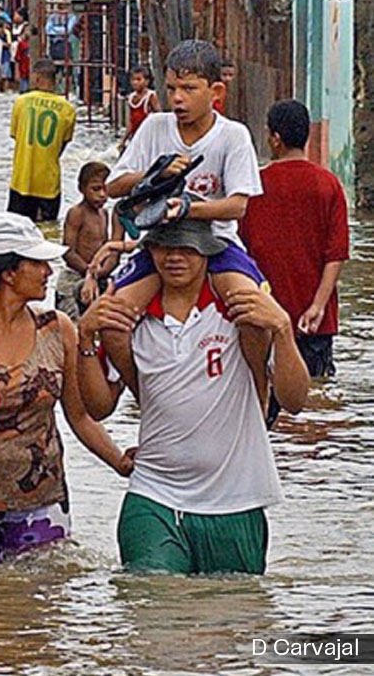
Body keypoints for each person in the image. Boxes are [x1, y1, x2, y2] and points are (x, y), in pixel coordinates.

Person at [77, 218, 310, 574]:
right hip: (153, 494)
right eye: (164, 248)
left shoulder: (239, 315)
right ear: (149, 251)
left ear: (208, 253)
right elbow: (98, 407)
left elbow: (294, 401)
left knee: (235, 616)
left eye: (187, 249)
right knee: (150, 598)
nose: (174, 258)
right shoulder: (130, 320)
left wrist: (282, 329)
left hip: (236, 500)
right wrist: (85, 338)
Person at [0, 212, 133, 566]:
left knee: (43, 612)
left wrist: (120, 463)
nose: (49, 272)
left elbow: (79, 415)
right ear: (8, 272)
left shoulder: (57, 327)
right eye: (38, 264)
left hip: (43, 498)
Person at [102, 40, 266, 380]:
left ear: (215, 91)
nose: (178, 98)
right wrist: (155, 174)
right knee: (112, 322)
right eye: (173, 88)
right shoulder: (154, 127)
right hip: (159, 243)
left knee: (255, 315)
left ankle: (260, 390)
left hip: (218, 245)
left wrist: (188, 209)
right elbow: (113, 186)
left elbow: (238, 206)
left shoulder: (233, 135)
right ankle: (141, 390)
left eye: (189, 89)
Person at [240, 99, 350, 425]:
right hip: (315, 322)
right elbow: (337, 254)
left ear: (275, 138)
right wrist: (317, 306)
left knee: (263, 408)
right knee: (312, 410)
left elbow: (241, 254)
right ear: (307, 137)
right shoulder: (329, 185)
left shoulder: (254, 188)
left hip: (264, 318)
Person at [7, 60, 76, 221]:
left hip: (21, 181)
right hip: (49, 184)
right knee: (48, 234)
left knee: (17, 232)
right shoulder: (67, 109)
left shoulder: (21, 102)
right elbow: (61, 146)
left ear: (37, 79)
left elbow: (17, 137)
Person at [56, 162, 112, 320]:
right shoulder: (77, 213)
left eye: (106, 189)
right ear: (81, 188)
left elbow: (106, 248)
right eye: (96, 189)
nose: (102, 195)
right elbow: (68, 252)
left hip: (95, 276)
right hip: (74, 277)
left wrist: (101, 272)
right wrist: (89, 272)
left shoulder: (104, 214)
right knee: (71, 322)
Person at [119, 65, 159, 153]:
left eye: (138, 79)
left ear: (147, 81)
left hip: (148, 137)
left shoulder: (151, 96)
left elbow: (159, 116)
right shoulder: (131, 97)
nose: (135, 82)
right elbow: (131, 122)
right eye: (133, 80)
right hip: (135, 136)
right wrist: (123, 139)